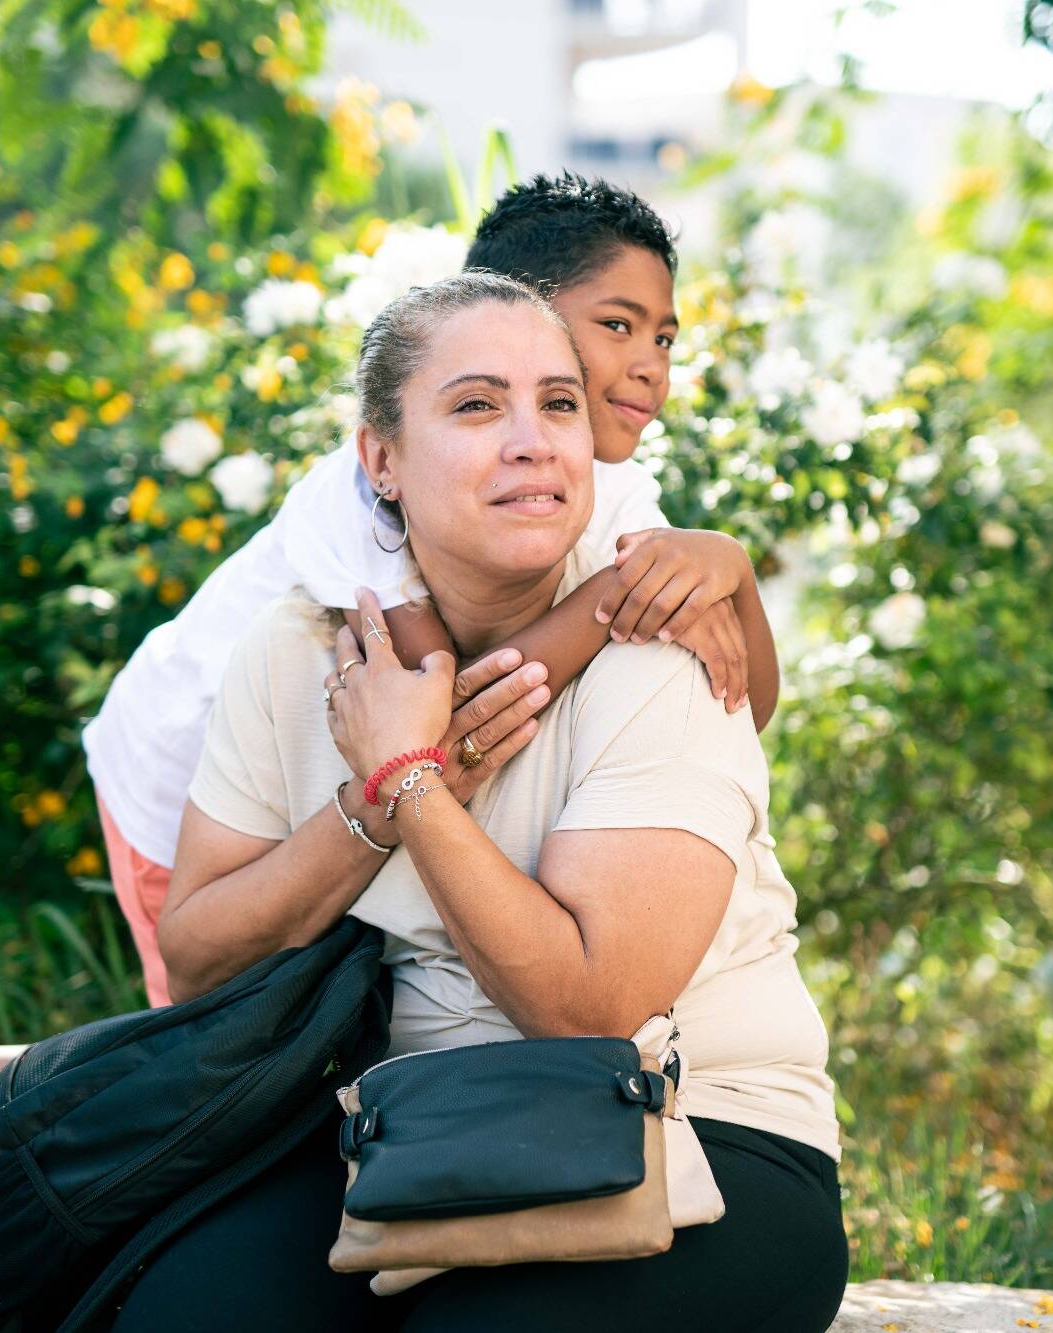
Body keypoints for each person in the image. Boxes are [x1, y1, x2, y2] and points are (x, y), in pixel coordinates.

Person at [0, 174, 785, 1266]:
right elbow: (436, 697)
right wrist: (594, 625)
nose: (643, 368)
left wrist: (729, 580)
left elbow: (741, 705)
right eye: (613, 327)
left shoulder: (593, 492)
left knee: (266, 1044)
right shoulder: (365, 506)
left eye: (663, 337)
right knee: (230, 1061)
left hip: (317, 780)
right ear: (495, 310)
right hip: (182, 779)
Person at [115, 272, 844, 1330]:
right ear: (381, 459)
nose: (532, 439)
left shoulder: (661, 638)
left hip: (691, 1130)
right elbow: (196, 959)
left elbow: (587, 1009)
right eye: (473, 405)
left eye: (557, 403)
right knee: (175, 1315)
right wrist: (365, 807)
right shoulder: (302, 645)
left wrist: (411, 785)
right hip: (403, 1129)